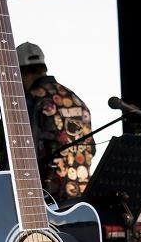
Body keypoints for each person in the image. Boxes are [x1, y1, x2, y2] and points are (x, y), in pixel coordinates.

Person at [14, 41, 95, 203]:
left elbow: (27, 152)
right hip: (82, 195)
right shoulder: (74, 98)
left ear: (19, 73)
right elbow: (91, 148)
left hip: (50, 197)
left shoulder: (33, 99)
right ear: (43, 69)